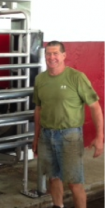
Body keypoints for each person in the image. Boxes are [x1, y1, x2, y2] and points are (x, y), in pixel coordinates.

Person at [32, 41, 104, 208]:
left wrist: (100, 136)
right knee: (53, 177)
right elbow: (38, 109)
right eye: (48, 54)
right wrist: (36, 137)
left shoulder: (77, 77)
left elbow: (95, 107)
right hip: (46, 135)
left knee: (74, 182)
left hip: (70, 136)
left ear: (64, 55)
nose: (52, 57)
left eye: (56, 53)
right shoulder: (40, 79)